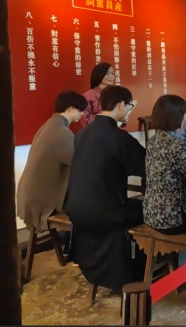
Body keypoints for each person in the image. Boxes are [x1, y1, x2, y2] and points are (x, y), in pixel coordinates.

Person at [64, 85, 146, 291]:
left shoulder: (81, 134)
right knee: (146, 210)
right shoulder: (120, 137)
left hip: (76, 211)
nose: (129, 111)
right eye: (129, 106)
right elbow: (146, 167)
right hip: (106, 213)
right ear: (121, 105)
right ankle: (138, 274)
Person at [143, 94, 186, 282]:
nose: (185, 117)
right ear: (176, 117)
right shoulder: (177, 146)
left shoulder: (153, 141)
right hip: (172, 219)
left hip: (151, 214)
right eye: (183, 113)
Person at [17, 91, 87, 232]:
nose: (83, 114)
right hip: (40, 202)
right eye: (80, 110)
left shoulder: (49, 125)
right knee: (90, 205)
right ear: (71, 108)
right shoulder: (61, 132)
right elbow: (81, 162)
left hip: (27, 197)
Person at [81, 62, 115, 126]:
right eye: (107, 73)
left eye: (113, 73)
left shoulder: (115, 94)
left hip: (113, 130)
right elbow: (85, 120)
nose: (111, 76)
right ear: (99, 74)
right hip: (95, 131)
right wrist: (105, 116)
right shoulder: (87, 96)